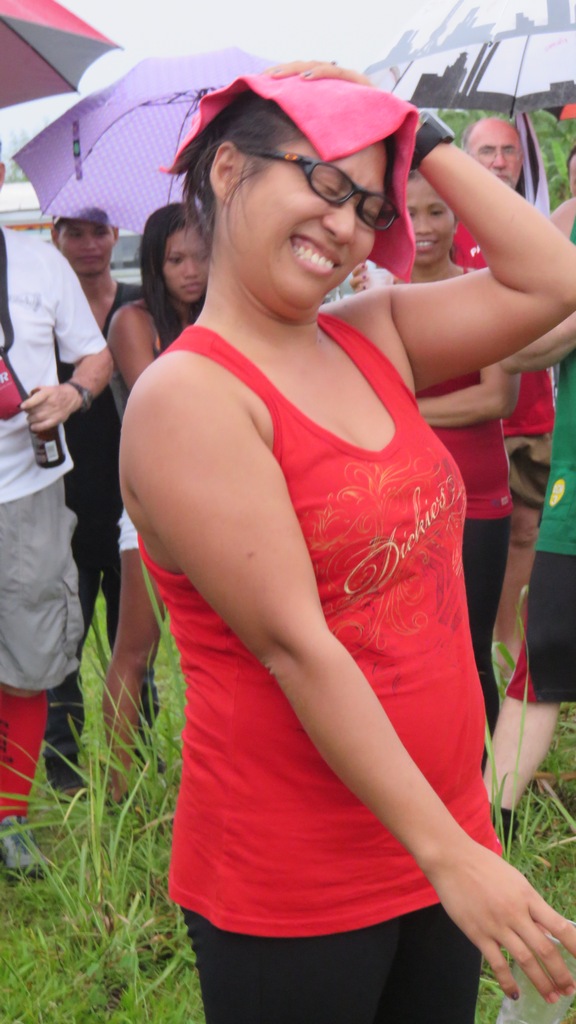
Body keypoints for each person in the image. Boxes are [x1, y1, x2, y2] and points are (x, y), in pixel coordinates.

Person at [118, 65, 576, 1023]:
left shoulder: (373, 336)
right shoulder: (189, 398)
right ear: (230, 169)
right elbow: (298, 646)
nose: (345, 227)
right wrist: (454, 857)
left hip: (440, 832)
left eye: (370, 208)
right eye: (325, 182)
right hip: (298, 871)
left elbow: (554, 278)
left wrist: (421, 132)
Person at [352, 170, 518, 742]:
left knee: (471, 649)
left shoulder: (485, 289)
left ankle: (489, 785)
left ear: (456, 219)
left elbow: (497, 398)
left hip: (477, 496)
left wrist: (406, 409)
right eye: (408, 213)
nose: (422, 227)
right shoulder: (373, 302)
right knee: (408, 651)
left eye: (436, 212)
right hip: (399, 499)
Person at [0, 152, 112, 876]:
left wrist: (72, 396)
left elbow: (95, 359)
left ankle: (9, 818)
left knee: (29, 655)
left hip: (27, 493)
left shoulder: (40, 264)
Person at [104, 203, 208, 799]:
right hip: (154, 498)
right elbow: (162, 402)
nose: (190, 271)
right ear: (154, 263)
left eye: (200, 256)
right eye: (175, 260)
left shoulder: (229, 314)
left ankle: (218, 781)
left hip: (226, 496)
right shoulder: (133, 321)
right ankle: (117, 793)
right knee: (135, 648)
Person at [484, 194, 576, 840]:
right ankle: (490, 827)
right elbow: (513, 348)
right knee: (543, 655)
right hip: (573, 498)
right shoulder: (565, 231)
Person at [44, 209, 143, 796]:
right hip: (65, 504)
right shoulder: (44, 315)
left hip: (133, 501)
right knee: (63, 649)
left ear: (115, 236)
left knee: (137, 646)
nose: (88, 244)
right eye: (74, 233)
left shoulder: (138, 306)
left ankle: (138, 761)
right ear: (54, 238)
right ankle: (64, 768)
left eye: (98, 232)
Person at [457, 117, 555, 669]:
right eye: (486, 150)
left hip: (532, 409)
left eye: (509, 151)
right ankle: (471, 643)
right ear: (465, 157)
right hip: (475, 413)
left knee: (526, 531)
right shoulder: (445, 222)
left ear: (522, 160)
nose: (498, 161)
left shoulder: (536, 226)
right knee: (468, 534)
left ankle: (506, 647)